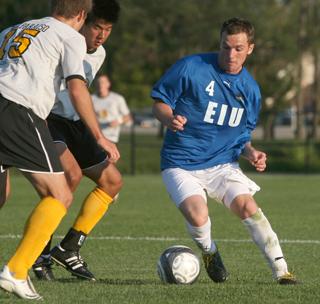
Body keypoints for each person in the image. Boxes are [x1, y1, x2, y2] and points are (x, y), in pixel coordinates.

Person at [151, 17, 297, 285]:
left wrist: (251, 152)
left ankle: (282, 271)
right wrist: (168, 118)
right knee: (198, 214)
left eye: (238, 48)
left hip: (222, 164)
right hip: (180, 162)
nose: (231, 54)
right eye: (226, 47)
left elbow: (241, 138)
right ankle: (209, 252)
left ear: (250, 48)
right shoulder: (191, 67)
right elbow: (159, 102)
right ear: (220, 43)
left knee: (248, 207)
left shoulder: (250, 91)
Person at [0, 0, 120, 300]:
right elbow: (77, 88)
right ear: (81, 15)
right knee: (60, 193)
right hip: (17, 110)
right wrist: (100, 137)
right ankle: (16, 270)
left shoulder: (14, 29)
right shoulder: (69, 37)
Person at [31, 0, 122, 282]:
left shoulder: (100, 53)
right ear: (83, 22)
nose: (101, 35)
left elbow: (81, 92)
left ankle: (68, 248)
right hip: (50, 119)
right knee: (69, 176)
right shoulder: (63, 42)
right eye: (97, 27)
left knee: (113, 182)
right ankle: (39, 253)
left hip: (75, 124)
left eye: (107, 29)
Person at [92, 74, 132, 144]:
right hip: (95, 137)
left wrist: (118, 121)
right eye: (98, 82)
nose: (100, 85)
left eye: (103, 82)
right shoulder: (90, 99)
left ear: (108, 84)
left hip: (111, 138)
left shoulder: (117, 99)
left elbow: (128, 117)